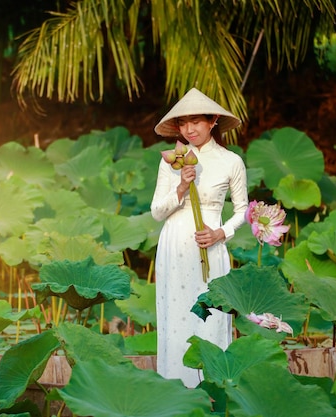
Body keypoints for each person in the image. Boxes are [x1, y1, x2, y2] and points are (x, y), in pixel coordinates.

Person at [150, 87, 248, 388]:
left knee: (211, 316)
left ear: (213, 120)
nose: (189, 129)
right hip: (174, 248)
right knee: (176, 319)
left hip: (212, 249)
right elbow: (156, 211)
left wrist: (221, 233)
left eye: (195, 121)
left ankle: (212, 390)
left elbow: (242, 210)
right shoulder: (172, 161)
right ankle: (177, 393)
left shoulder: (231, 161)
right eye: (182, 123)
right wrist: (180, 187)